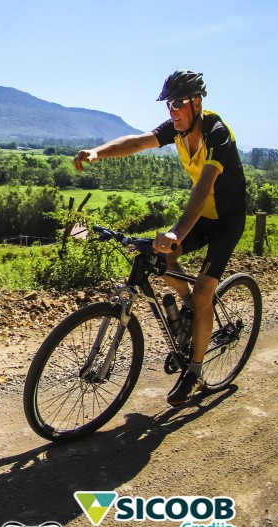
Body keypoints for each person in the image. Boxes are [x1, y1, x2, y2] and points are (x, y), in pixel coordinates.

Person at [72, 70, 246, 406]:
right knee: (158, 258)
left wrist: (176, 233)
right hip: (202, 218)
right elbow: (138, 141)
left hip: (227, 221)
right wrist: (97, 152)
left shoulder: (216, 133)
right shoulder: (177, 130)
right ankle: (188, 305)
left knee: (204, 292)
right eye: (168, 104)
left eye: (178, 103)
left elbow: (204, 187)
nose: (172, 110)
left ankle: (194, 372)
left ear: (197, 103)